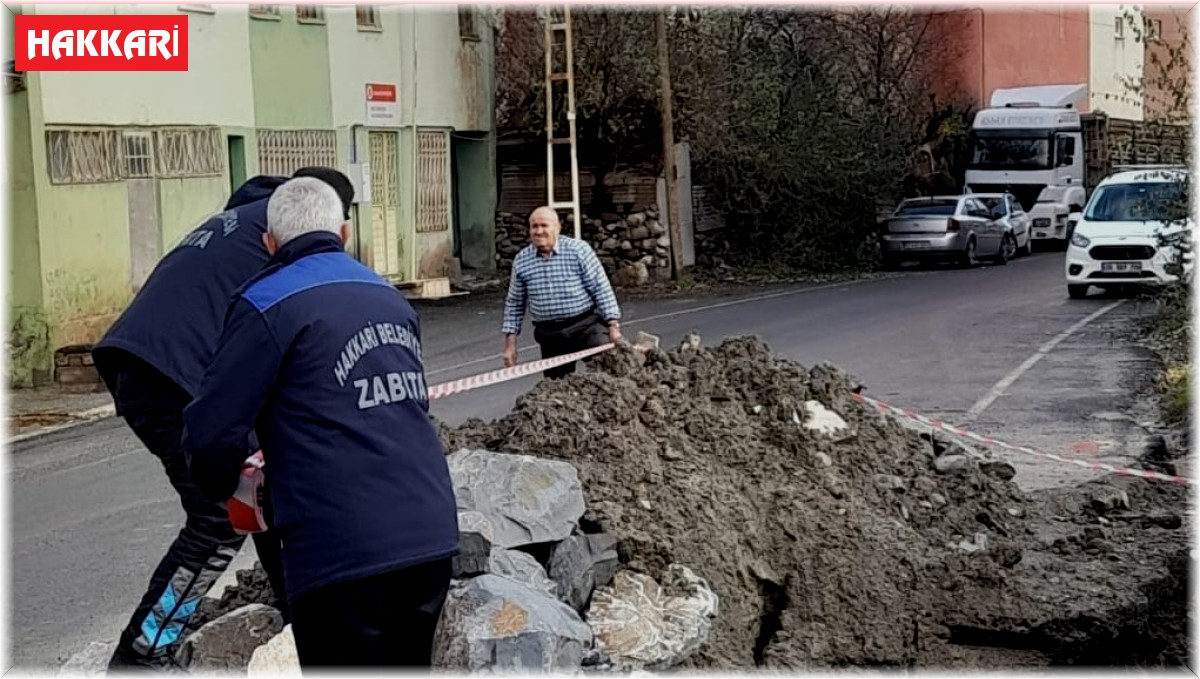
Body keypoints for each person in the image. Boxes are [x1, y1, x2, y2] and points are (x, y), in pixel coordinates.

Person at [181, 177, 459, 669]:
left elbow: (211, 432)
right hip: (428, 536)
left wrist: (229, 490)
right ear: (345, 233)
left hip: (341, 550)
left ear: (269, 242)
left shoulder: (266, 303)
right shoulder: (389, 297)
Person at [91, 167, 355, 671]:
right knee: (218, 515)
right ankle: (143, 652)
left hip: (146, 364)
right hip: (173, 371)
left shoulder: (241, 220)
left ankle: (300, 617)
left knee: (260, 490)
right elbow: (302, 333)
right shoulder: (288, 240)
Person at [501, 206, 623, 378]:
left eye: (544, 225)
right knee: (555, 389)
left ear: (558, 227)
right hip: (550, 335)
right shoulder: (522, 261)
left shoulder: (578, 250)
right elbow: (515, 303)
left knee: (609, 370)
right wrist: (510, 345)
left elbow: (600, 288)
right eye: (534, 226)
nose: (539, 231)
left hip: (585, 326)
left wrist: (613, 325)